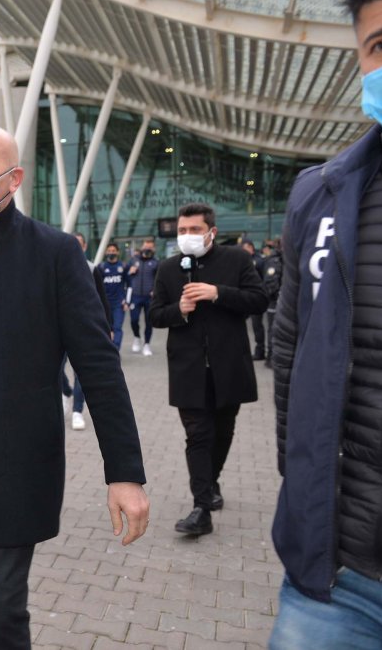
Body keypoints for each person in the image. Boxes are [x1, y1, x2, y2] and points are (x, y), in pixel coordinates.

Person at [0, 124, 149, 650]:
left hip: (14, 460)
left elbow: (99, 367)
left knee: (2, 604)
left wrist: (124, 473)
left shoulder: (55, 254)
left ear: (12, 179)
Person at [269, 0, 382, 646]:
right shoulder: (322, 195)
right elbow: (289, 353)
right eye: (381, 44)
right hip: (340, 581)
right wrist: (307, 493)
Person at [150, 203, 267, 536]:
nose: (187, 236)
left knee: (222, 431)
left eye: (194, 230)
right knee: (198, 435)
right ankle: (201, 506)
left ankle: (211, 481)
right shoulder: (169, 268)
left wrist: (219, 293)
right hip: (188, 369)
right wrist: (180, 310)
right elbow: (156, 315)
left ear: (211, 232)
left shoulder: (237, 260)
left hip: (229, 366)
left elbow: (259, 300)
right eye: (182, 231)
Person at [69, 232, 113, 431]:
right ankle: (64, 393)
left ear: (85, 247)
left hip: (83, 331)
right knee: (54, 370)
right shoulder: (50, 267)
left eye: (79, 245)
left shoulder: (92, 268)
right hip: (54, 331)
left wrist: (108, 327)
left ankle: (77, 411)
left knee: (80, 373)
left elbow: (102, 301)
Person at [126, 237, 159, 356]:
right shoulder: (133, 260)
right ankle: (136, 337)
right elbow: (126, 277)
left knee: (149, 321)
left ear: (154, 249)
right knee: (134, 320)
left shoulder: (156, 262)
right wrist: (130, 272)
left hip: (149, 297)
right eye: (146, 247)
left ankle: (146, 345)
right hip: (135, 296)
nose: (147, 249)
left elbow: (159, 279)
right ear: (142, 247)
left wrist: (155, 290)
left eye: (150, 247)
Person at [100, 242, 129, 350]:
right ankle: (107, 350)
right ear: (106, 252)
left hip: (119, 304)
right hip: (105, 304)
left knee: (117, 328)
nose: (111, 253)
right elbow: (97, 287)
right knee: (106, 328)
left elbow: (129, 285)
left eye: (113, 251)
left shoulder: (123, 266)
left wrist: (127, 301)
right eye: (109, 251)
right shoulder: (101, 267)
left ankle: (115, 350)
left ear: (117, 252)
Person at [240, 238, 266, 360]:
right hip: (244, 298)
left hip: (255, 297)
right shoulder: (241, 261)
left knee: (257, 326)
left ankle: (260, 351)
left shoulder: (259, 261)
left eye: (245, 248)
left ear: (251, 247)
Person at [261, 239, 282, 369]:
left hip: (281, 302)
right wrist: (277, 296)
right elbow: (271, 282)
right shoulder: (274, 260)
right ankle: (271, 358)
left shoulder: (284, 259)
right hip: (275, 303)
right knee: (273, 330)